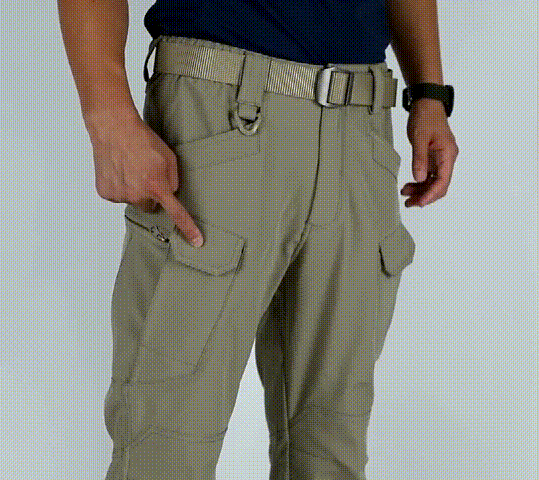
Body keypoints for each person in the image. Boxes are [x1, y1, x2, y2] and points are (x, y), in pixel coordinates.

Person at [58, 0, 459, 478]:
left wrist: (429, 93)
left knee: (331, 449)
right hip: (221, 114)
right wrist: (107, 116)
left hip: (362, 129)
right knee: (167, 443)